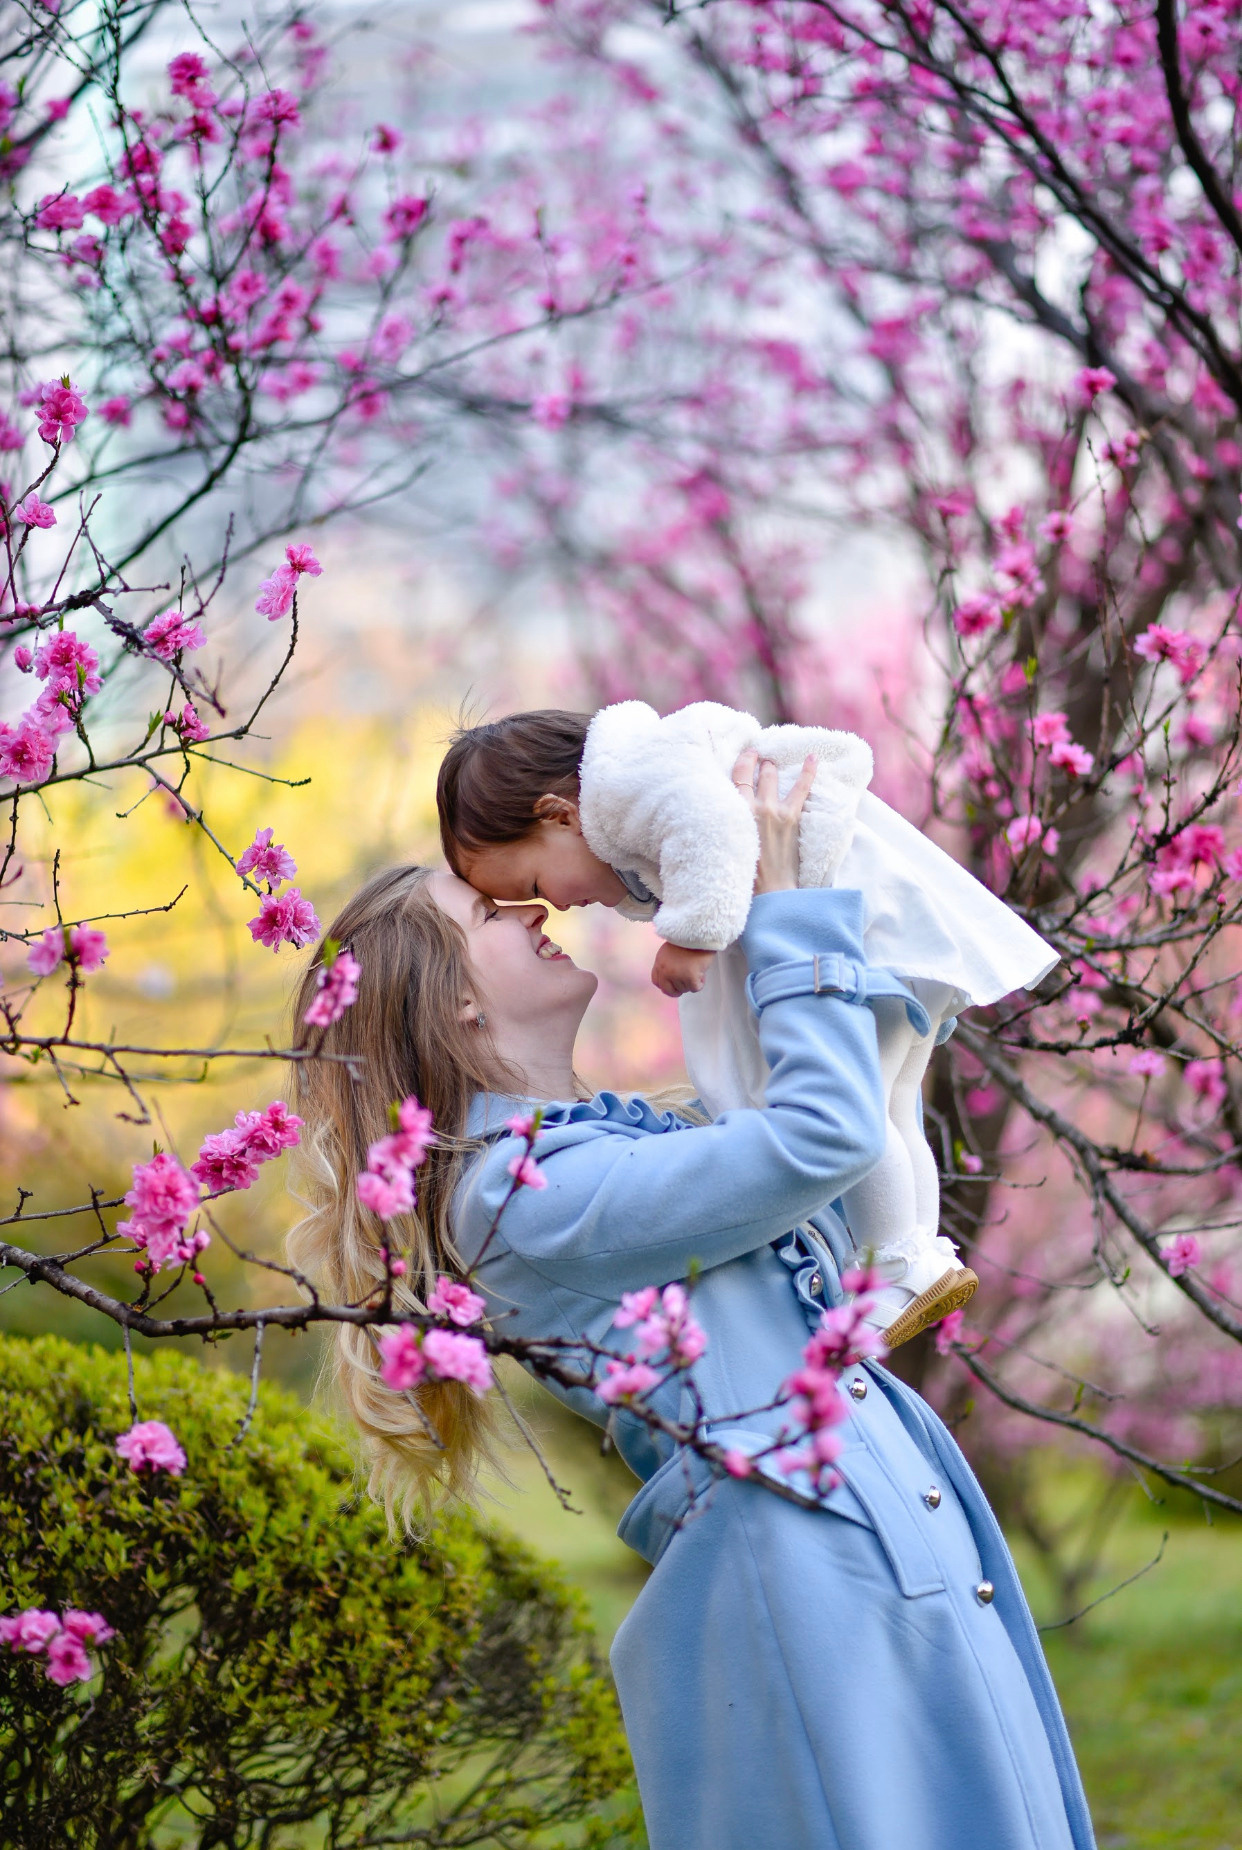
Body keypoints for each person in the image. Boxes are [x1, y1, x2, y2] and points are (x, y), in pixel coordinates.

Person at [287, 761, 1094, 1850]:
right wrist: (775, 907)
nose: (529, 907)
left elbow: (829, 1192)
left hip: (862, 1532)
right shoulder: (516, 1198)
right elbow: (819, 1139)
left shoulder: (600, 1146)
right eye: (488, 908)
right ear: (456, 997)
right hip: (809, 1574)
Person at [435, 704, 1058, 1345]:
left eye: (538, 882)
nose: (554, 906)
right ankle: (918, 1254)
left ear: (559, 814)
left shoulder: (634, 789)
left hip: (849, 927)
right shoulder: (645, 778)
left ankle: (892, 1266)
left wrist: (691, 940)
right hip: (876, 924)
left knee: (872, 1111)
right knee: (893, 1103)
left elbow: (713, 837)